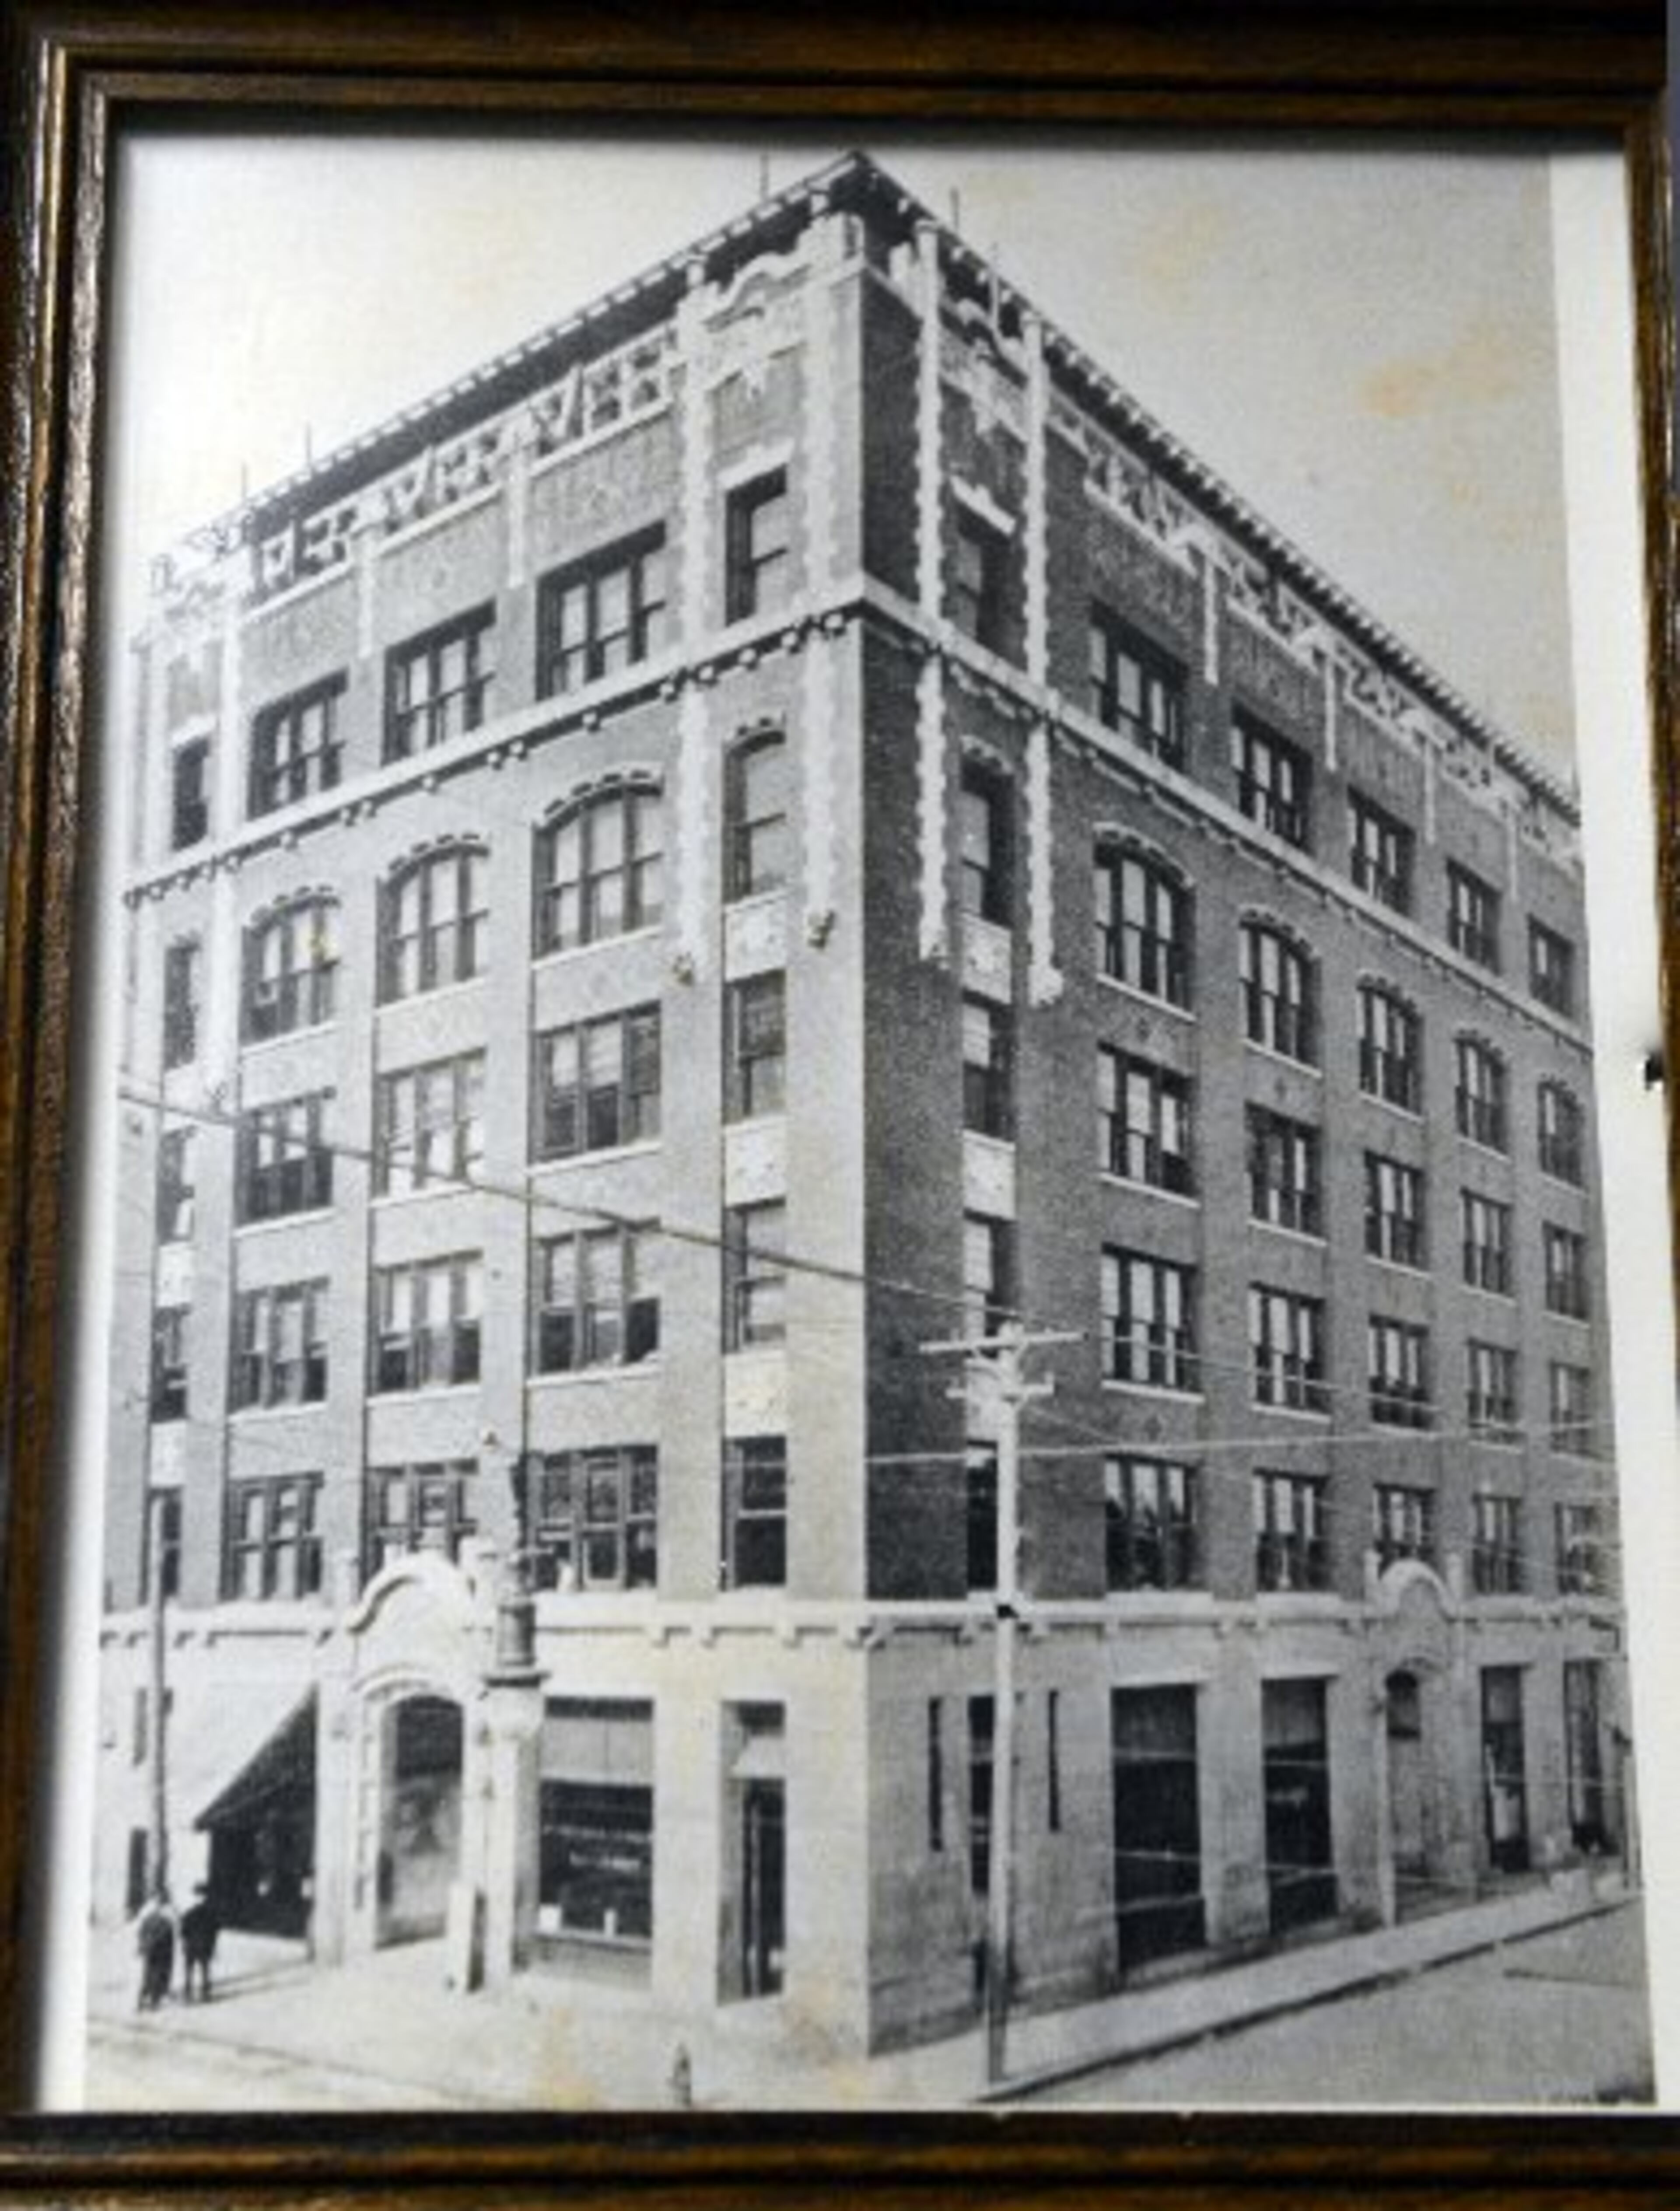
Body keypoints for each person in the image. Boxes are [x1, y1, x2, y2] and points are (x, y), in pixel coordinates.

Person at [179, 1882, 220, 2004]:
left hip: (191, 1946)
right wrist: (213, 1946)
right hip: (205, 1946)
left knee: (189, 1970)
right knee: (205, 1970)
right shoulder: (212, 1914)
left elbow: (184, 1932)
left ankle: (188, 1994)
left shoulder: (189, 1914)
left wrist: (185, 1944)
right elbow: (215, 1932)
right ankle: (205, 1993)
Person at [135, 1889, 175, 2011]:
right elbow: (168, 1936)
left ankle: (142, 2002)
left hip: (150, 1950)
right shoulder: (166, 1920)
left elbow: (141, 1933)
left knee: (148, 1975)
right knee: (156, 1975)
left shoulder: (148, 1917)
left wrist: (142, 1947)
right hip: (161, 1951)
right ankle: (153, 2002)